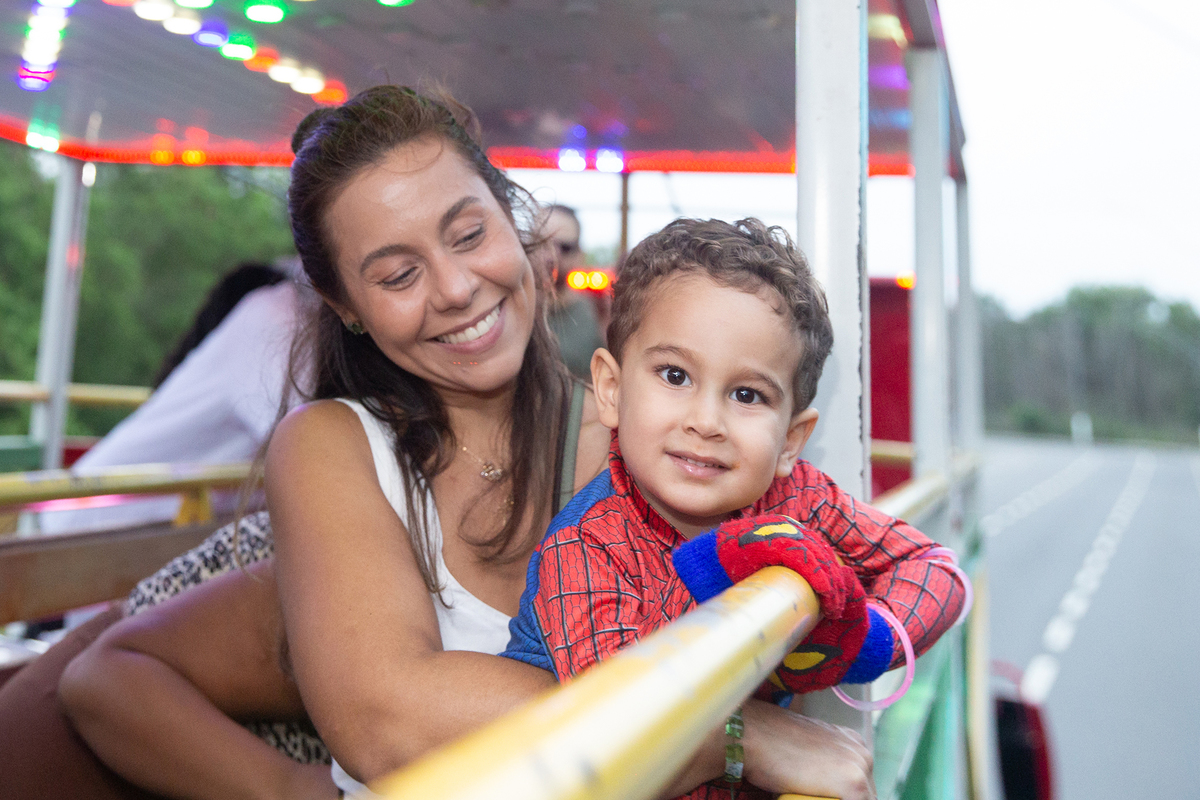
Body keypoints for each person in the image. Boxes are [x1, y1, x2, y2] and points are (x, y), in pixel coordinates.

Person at [44, 86, 873, 800]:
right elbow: (386, 720)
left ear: (516, 225)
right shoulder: (334, 448)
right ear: (344, 305)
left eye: (469, 234)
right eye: (398, 275)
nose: (454, 288)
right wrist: (735, 734)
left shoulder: (668, 439)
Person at [502, 218, 967, 796]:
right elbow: (631, 729)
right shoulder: (585, 545)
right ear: (612, 390)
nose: (706, 422)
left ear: (791, 442)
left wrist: (869, 640)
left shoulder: (796, 499)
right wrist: (754, 732)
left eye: (747, 395)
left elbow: (934, 567)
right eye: (675, 375)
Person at [38, 262, 305, 535]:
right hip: (98, 525)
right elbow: (310, 442)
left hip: (161, 530)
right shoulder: (276, 321)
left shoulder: (284, 317)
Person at [541, 205, 605, 379]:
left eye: (565, 247)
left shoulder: (597, 314)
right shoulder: (510, 310)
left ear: (579, 255)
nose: (553, 255)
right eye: (542, 242)